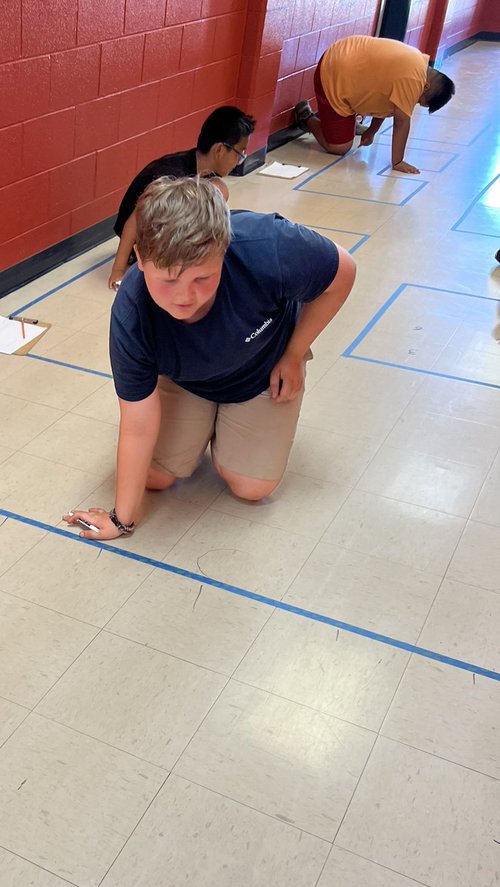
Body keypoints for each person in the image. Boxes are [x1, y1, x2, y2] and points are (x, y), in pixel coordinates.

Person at [63, 177, 356, 541]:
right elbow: (137, 424)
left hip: (263, 368)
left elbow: (344, 271)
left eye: (203, 278)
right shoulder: (132, 312)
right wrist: (122, 520)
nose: (184, 297)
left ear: (224, 248)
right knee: (155, 478)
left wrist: (294, 353)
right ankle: (204, 420)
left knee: (251, 488)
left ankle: (225, 429)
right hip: (189, 379)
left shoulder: (269, 245)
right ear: (140, 257)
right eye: (168, 280)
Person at [107, 106, 255, 290]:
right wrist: (118, 270)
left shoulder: (205, 171)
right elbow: (134, 222)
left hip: (169, 234)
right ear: (219, 150)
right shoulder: (170, 178)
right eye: (239, 154)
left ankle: (188, 251)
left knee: (219, 190)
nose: (239, 161)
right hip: (141, 240)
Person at [294, 34, 455, 175]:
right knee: (339, 147)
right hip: (332, 73)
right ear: (426, 87)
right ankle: (306, 117)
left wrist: (372, 131)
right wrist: (398, 161)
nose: (415, 103)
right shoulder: (413, 80)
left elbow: (388, 103)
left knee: (352, 130)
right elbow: (401, 123)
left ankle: (349, 123)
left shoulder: (419, 62)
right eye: (419, 101)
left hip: (342, 55)